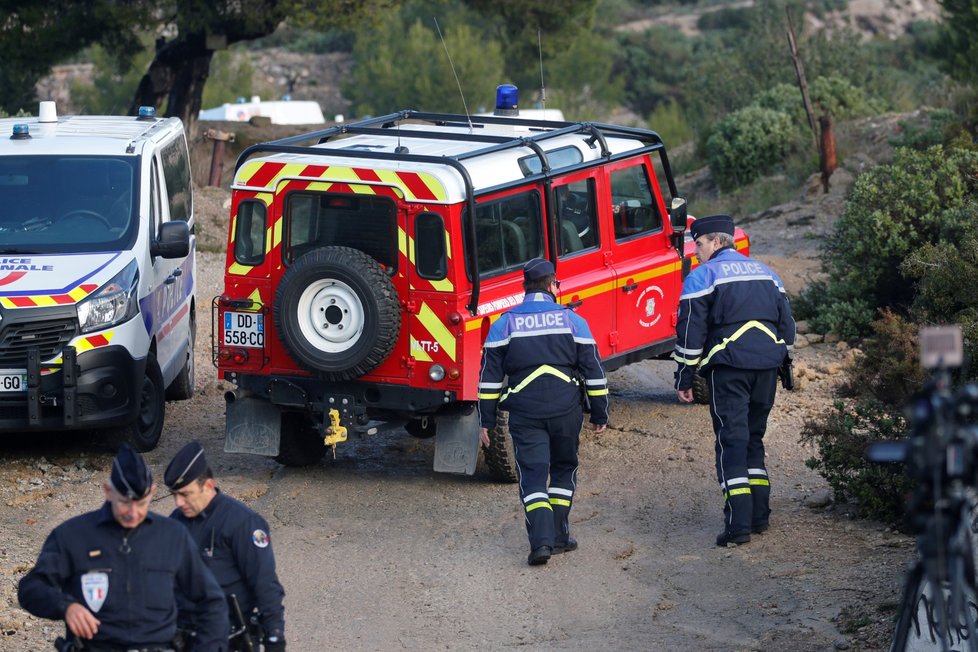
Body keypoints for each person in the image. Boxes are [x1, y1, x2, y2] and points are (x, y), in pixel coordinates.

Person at [18, 443, 227, 652]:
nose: (133, 513)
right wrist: (66, 607)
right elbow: (31, 588)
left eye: (142, 503)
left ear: (152, 493)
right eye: (125, 503)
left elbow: (211, 601)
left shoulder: (173, 536)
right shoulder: (73, 535)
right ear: (108, 491)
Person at [672, 214, 796, 547]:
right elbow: (789, 329)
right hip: (768, 368)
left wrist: (684, 376)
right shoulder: (767, 273)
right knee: (754, 438)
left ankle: (738, 525)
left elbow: (689, 334)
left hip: (729, 369)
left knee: (732, 441)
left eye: (698, 244)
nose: (695, 252)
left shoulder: (702, 276)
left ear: (714, 241)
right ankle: (760, 517)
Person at [478, 257, 609, 566]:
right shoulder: (573, 320)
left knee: (534, 476)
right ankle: (561, 536)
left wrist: (486, 419)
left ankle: (541, 543)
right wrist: (600, 412)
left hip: (525, 413)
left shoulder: (505, 322)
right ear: (552, 286)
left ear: (525, 287)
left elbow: (489, 379)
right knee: (563, 469)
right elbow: (594, 371)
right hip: (566, 410)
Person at [164, 441, 286, 652]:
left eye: (185, 494)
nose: (178, 503)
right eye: (174, 495)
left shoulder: (241, 523)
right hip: (184, 636)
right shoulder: (176, 521)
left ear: (208, 486)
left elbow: (265, 584)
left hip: (229, 638)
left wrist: (274, 638)